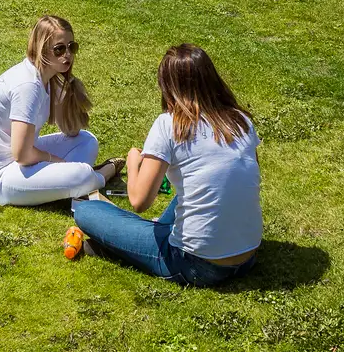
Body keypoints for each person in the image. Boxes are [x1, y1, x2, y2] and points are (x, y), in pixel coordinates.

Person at [67, 44, 261, 287]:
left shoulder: (169, 124)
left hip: (196, 264)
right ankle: (130, 242)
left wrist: (133, 161)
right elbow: (242, 178)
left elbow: (139, 201)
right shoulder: (239, 119)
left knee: (86, 211)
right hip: (249, 254)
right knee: (194, 191)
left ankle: (125, 247)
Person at [0, 15, 120, 207]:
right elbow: (22, 155)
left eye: (71, 47)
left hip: (19, 163)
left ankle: (73, 186)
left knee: (86, 140)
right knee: (82, 173)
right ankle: (101, 175)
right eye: (59, 49)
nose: (67, 54)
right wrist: (54, 160)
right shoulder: (28, 86)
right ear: (42, 50)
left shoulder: (48, 78)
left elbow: (72, 132)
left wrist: (67, 92)